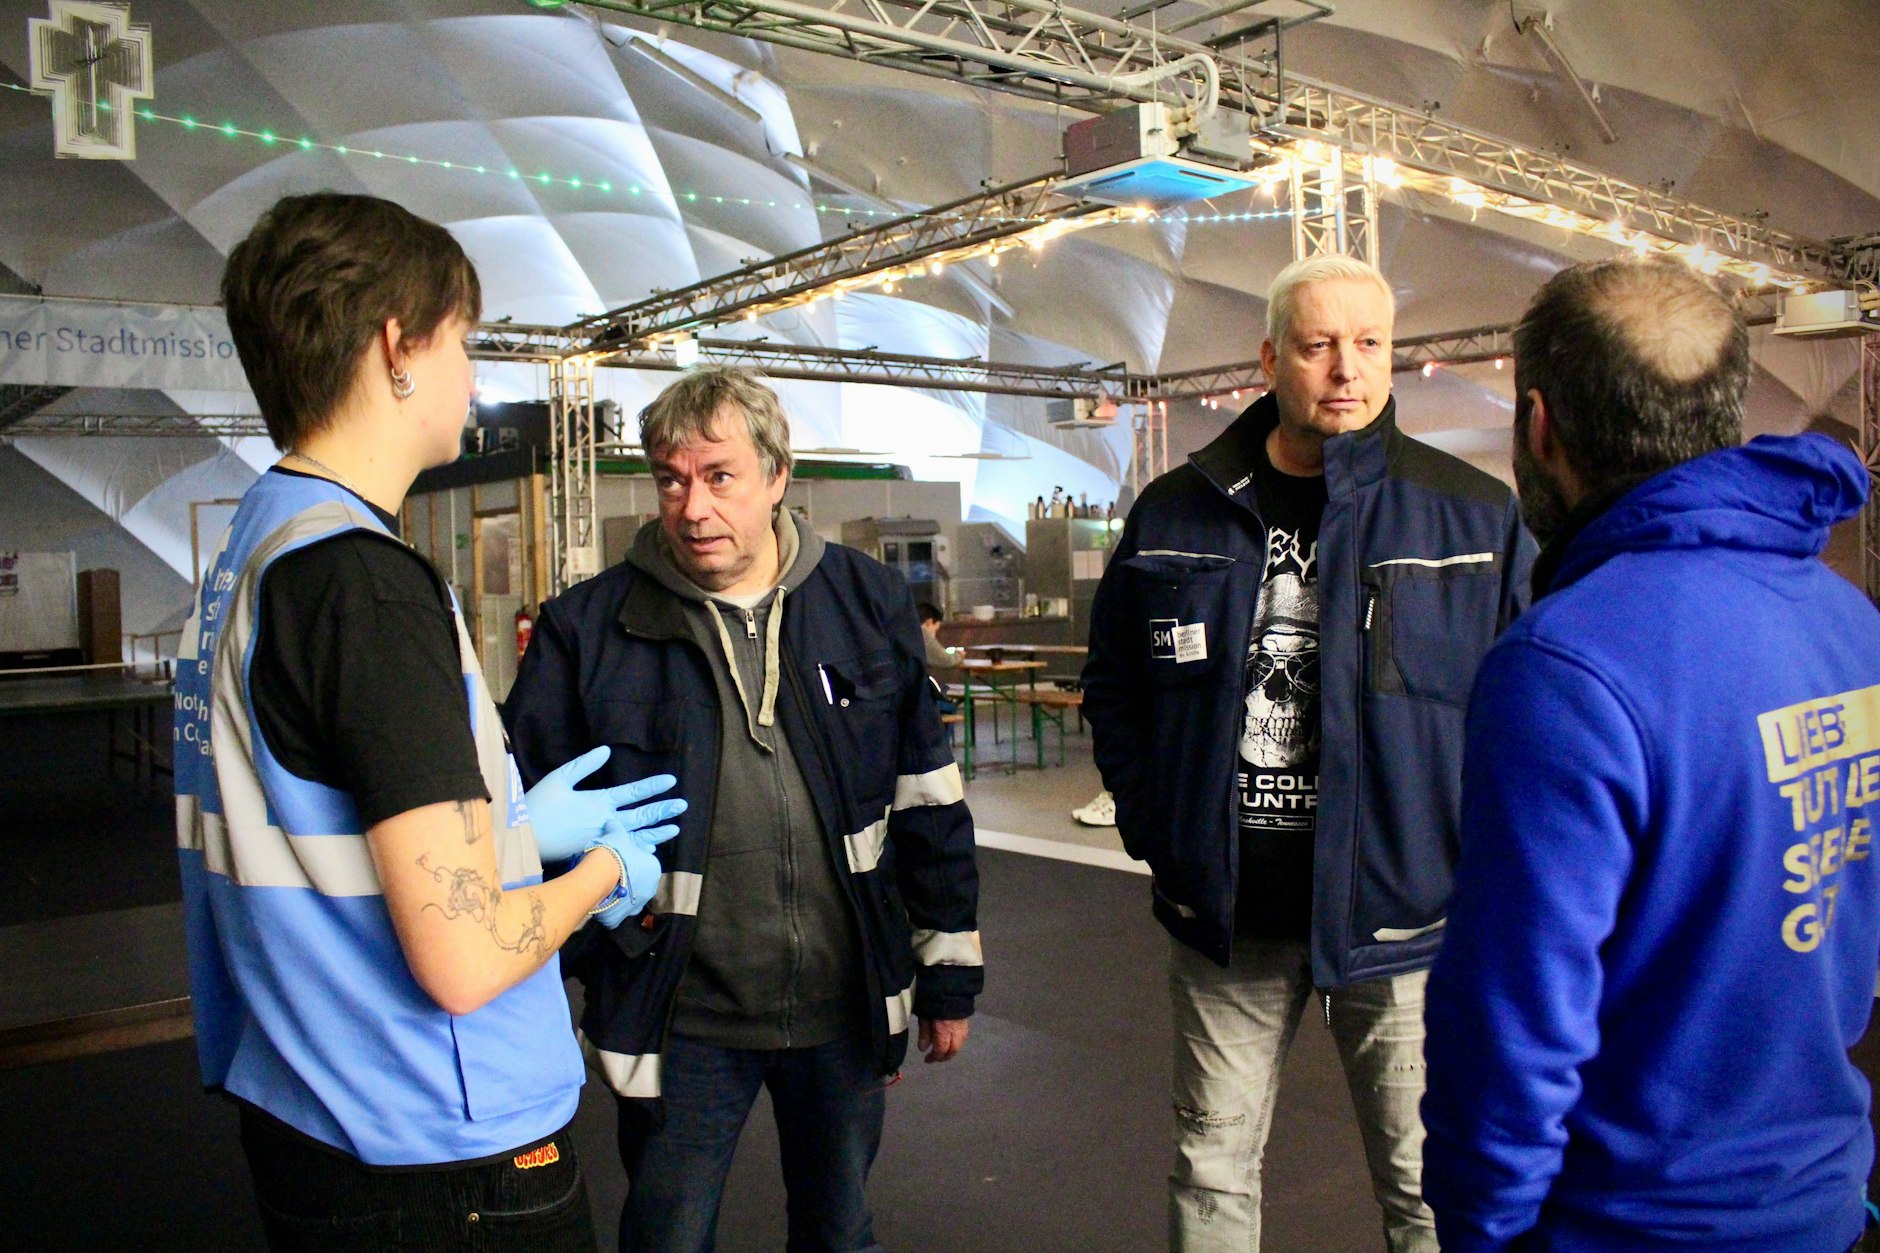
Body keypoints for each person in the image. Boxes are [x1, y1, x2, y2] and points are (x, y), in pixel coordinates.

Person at [174, 192, 686, 1250]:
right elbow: (461, 958)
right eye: (463, 341)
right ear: (395, 346)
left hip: (305, 1101)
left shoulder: (256, 555)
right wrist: (595, 876)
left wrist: (503, 833)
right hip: (436, 1145)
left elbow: (314, 823)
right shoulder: (366, 587)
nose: (474, 376)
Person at [1422, 256, 1880, 1252]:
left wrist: (1478, 1229)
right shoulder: (1848, 625)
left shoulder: (1564, 665)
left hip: (1631, 1224)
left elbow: (1512, 1025)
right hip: (1821, 1198)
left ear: (1537, 427)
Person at [1083, 253, 1535, 1252]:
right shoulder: (1177, 508)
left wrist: (1470, 856)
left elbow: (1530, 709)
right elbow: (1111, 681)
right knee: (1210, 1169)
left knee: (1426, 1185)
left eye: (1367, 343)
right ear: (1269, 358)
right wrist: (1154, 821)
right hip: (1228, 914)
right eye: (1317, 343)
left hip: (1402, 919)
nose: (1345, 367)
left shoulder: (1470, 515)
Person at [503, 365, 981, 1253]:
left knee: (840, 1232)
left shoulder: (867, 603)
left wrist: (945, 969)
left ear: (776, 475)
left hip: (841, 1004)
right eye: (673, 480)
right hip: (681, 1014)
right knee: (668, 1236)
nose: (693, 507)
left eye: (719, 476)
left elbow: (928, 796)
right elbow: (520, 823)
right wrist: (586, 952)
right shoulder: (587, 629)